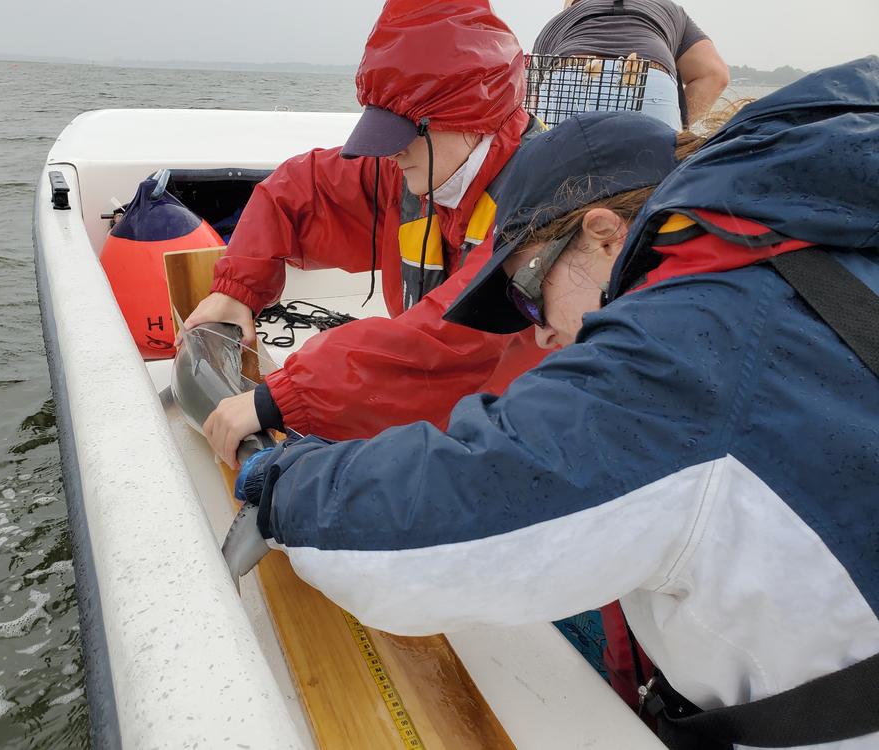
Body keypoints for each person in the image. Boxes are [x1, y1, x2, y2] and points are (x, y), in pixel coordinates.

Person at [231, 57, 879, 749]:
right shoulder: (808, 250)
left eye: (527, 289)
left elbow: (437, 524)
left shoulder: (692, 347)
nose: (538, 328)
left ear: (602, 234)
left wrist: (289, 481)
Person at [180, 0, 545, 469]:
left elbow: (453, 339)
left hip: (514, 438)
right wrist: (238, 289)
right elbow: (299, 191)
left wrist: (284, 397)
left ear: (471, 116)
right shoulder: (419, 170)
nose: (390, 153)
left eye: (403, 133)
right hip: (427, 424)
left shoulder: (541, 203)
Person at [531, 0, 729, 129]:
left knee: (558, 187)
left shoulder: (558, 22)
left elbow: (534, 100)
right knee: (658, 189)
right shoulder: (669, 10)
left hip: (570, 80)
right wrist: (679, 126)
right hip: (649, 80)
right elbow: (715, 75)